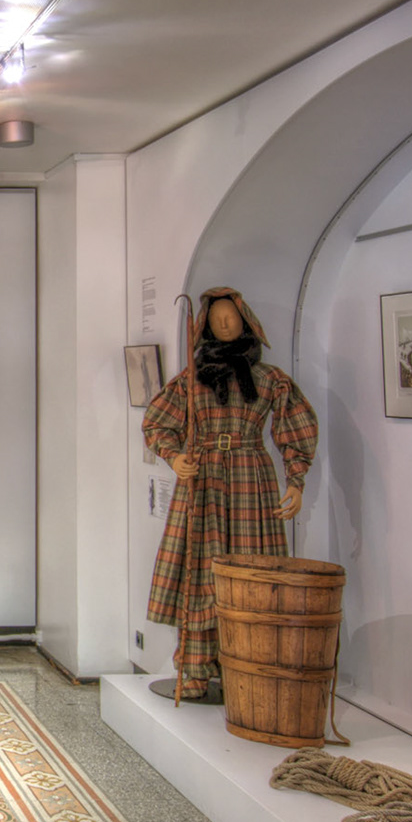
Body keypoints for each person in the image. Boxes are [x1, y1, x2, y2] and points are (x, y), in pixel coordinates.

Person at [143, 287, 317, 699]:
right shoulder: (191, 380)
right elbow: (157, 423)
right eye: (216, 317)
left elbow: (297, 430)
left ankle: (247, 666)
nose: (224, 323)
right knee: (199, 573)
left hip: (250, 482)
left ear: (246, 321)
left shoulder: (270, 379)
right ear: (204, 325)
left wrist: (296, 481)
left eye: (231, 316)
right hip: (202, 482)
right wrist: (174, 457)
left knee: (252, 575)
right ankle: (194, 668)